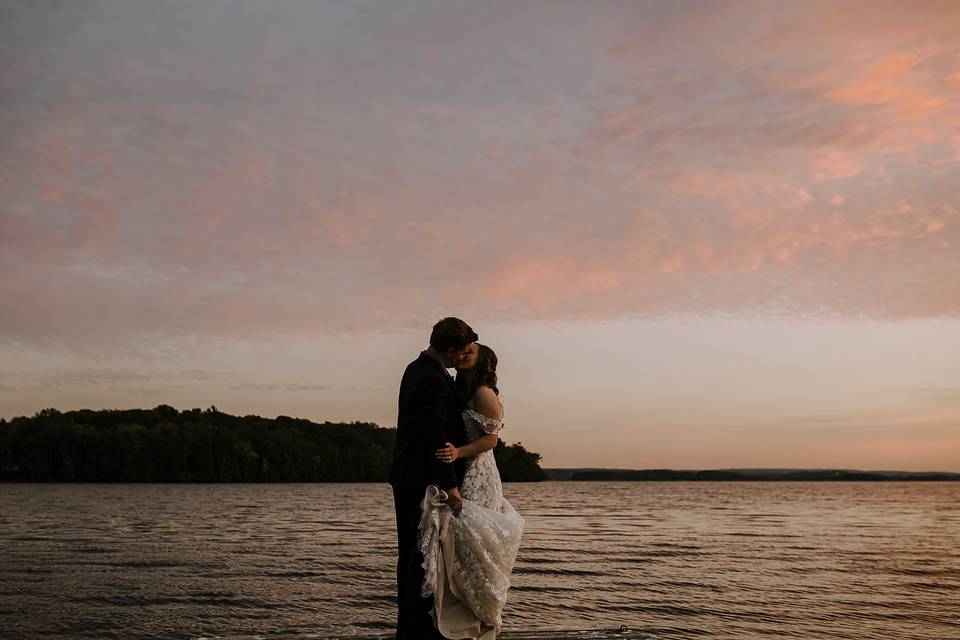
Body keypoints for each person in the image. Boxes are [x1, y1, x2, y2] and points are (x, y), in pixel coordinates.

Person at [417, 343, 525, 640]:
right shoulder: (460, 389)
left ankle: (479, 613)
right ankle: (458, 612)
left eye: (470, 353)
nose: (463, 354)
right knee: (461, 540)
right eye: (463, 350)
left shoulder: (483, 393)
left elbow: (491, 441)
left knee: (472, 539)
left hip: (479, 470)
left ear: (482, 362)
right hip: (465, 468)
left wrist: (458, 452)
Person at [390, 317, 478, 640]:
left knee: (414, 556)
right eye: (463, 352)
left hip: (409, 476)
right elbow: (434, 437)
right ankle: (415, 631)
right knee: (419, 558)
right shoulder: (431, 380)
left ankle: (412, 628)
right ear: (451, 351)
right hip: (420, 480)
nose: (464, 358)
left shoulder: (417, 368)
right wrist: (451, 486)